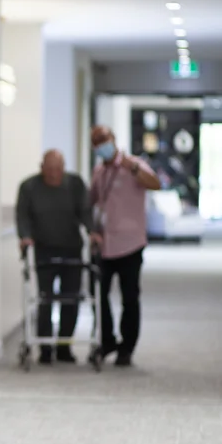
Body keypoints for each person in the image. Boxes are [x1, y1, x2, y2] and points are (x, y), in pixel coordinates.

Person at [16, 150, 99, 364]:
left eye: (58, 169)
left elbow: (85, 212)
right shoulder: (29, 187)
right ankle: (45, 348)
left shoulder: (75, 184)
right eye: (49, 169)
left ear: (64, 168)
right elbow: (23, 216)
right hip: (44, 250)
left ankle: (64, 347)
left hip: (71, 249)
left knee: (70, 299)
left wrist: (92, 232)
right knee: (45, 299)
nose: (53, 174)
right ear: (41, 167)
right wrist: (25, 237)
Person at [88, 125, 162, 367]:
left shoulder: (133, 165)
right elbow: (93, 203)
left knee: (129, 297)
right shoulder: (99, 172)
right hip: (104, 244)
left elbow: (155, 183)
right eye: (96, 141)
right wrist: (93, 231)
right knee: (99, 295)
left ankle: (127, 347)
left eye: (104, 139)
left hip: (131, 243)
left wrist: (132, 167)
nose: (101, 145)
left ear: (113, 140)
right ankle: (107, 340)